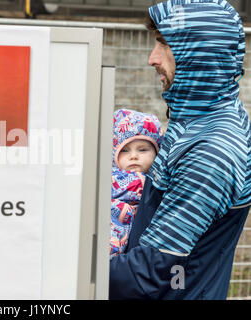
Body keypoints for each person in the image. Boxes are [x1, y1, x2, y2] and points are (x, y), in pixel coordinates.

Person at [109, 0, 251, 300]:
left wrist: (69, 269)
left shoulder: (211, 151)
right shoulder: (203, 113)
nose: (152, 58)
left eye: (163, 44)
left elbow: (148, 272)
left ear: (197, 54)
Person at [110, 109, 162, 257]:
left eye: (143, 150)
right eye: (125, 151)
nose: (133, 156)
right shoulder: (111, 178)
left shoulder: (159, 181)